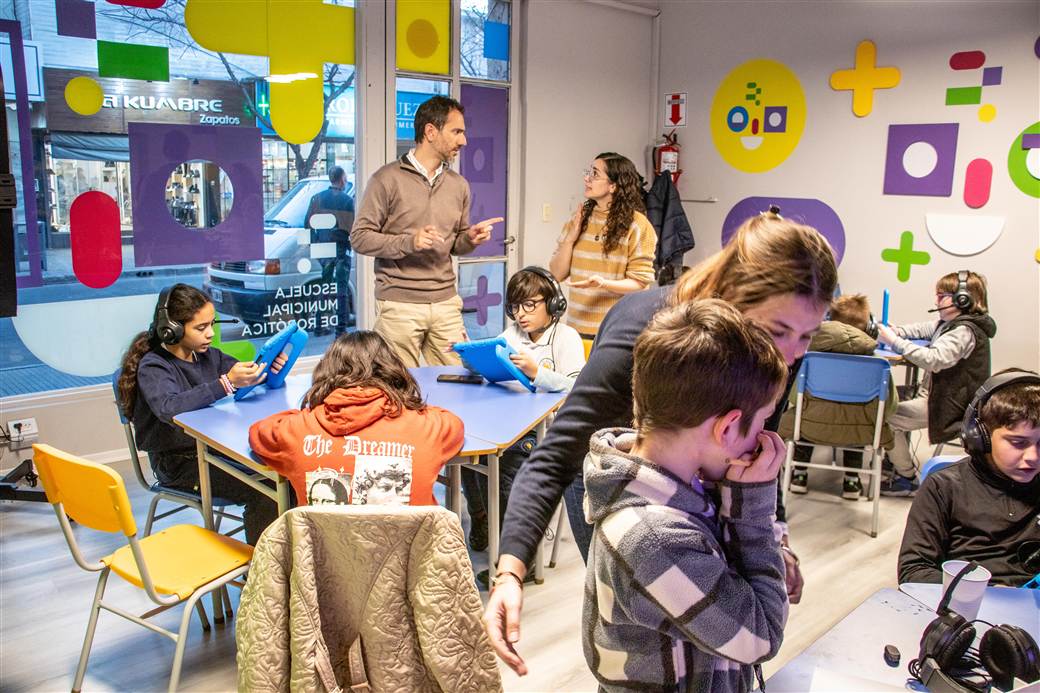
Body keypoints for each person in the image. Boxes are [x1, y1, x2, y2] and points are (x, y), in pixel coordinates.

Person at [486, 211, 838, 676]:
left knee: (716, 627)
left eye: (808, 336)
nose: (791, 352)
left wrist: (775, 540)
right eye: (779, 332)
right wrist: (510, 573)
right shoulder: (643, 326)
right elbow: (557, 455)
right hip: (630, 484)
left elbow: (754, 451)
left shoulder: (777, 347)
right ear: (735, 297)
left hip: (693, 484)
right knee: (647, 642)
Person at [583, 300, 789, 692]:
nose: (763, 439)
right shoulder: (655, 538)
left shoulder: (680, 489)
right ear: (727, 428)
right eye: (762, 423)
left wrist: (766, 552)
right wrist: (753, 513)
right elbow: (761, 636)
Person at [116, 284, 281, 545]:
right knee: (267, 491)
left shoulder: (208, 357)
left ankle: (282, 554)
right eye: (201, 328)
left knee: (283, 474)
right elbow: (169, 407)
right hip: (179, 465)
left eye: (211, 324)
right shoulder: (154, 366)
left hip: (214, 451)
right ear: (173, 329)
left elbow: (241, 374)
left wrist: (265, 370)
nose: (210, 333)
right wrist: (226, 383)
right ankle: (262, 566)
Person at [350, 95, 504, 367]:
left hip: (446, 302)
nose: (464, 141)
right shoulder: (386, 179)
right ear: (430, 131)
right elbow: (359, 237)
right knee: (398, 383)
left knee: (459, 379)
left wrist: (469, 239)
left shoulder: (459, 185)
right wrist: (409, 242)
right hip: (400, 305)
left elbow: (455, 244)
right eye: (456, 132)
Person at [249, 331, 464, 507]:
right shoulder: (428, 426)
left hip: (323, 548)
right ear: (393, 370)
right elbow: (454, 424)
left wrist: (306, 415)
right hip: (413, 548)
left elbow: (259, 432)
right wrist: (408, 405)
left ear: (326, 372)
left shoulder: (296, 429)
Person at [463, 266, 586, 554]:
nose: (521, 314)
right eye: (516, 307)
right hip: (510, 422)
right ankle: (482, 518)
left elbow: (577, 388)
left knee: (505, 463)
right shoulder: (513, 334)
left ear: (553, 304)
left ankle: (518, 553)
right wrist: (471, 357)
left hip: (546, 431)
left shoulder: (566, 337)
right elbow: (495, 368)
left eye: (529, 305)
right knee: (467, 448)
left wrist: (537, 373)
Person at [898, 370, 1040, 586]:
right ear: (980, 436)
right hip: (969, 600)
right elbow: (914, 571)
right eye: (1018, 443)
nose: (1033, 457)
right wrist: (984, 591)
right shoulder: (944, 487)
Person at [876, 270, 997, 496]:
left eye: (941, 296)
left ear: (962, 299)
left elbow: (934, 360)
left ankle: (906, 478)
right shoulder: (949, 323)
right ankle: (895, 461)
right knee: (888, 398)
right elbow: (925, 329)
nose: (936, 301)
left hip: (948, 406)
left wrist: (894, 341)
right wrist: (897, 331)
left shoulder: (964, 331)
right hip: (937, 395)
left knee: (884, 416)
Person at [779, 293, 897, 500]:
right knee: (858, 420)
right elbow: (890, 407)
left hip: (810, 427)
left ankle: (799, 475)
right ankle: (851, 481)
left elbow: (794, 397)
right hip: (860, 432)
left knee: (805, 413)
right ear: (869, 328)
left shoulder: (809, 357)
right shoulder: (877, 363)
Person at [549, 152, 657, 345]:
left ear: (613, 186)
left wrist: (602, 283)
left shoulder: (638, 225)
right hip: (575, 330)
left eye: (595, 174)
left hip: (616, 332)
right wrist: (570, 240)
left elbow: (640, 284)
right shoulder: (580, 218)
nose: (587, 178)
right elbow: (557, 274)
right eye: (588, 172)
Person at [306, 165, 355, 335]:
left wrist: (315, 245)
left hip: (324, 250)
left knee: (324, 288)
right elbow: (352, 228)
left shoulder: (317, 199)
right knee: (341, 289)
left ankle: (319, 325)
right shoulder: (347, 201)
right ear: (342, 180)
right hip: (341, 249)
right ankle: (341, 329)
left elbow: (307, 225)